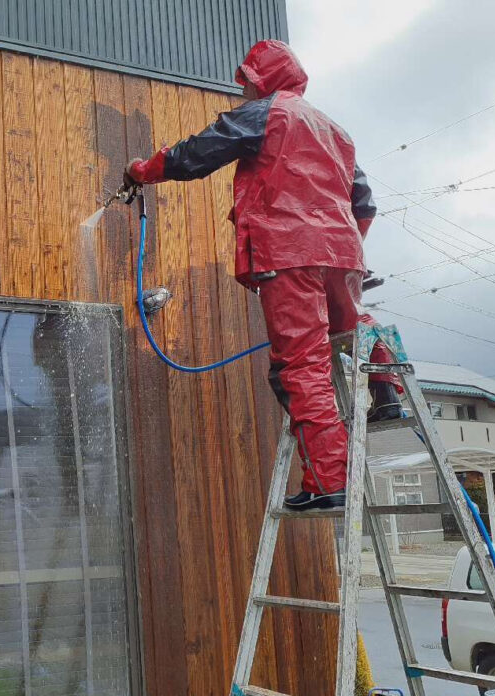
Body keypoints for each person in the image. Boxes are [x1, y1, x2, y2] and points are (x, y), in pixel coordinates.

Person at [125, 39, 401, 512]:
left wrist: (141, 171)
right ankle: (387, 388)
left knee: (300, 366)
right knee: (352, 327)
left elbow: (195, 154)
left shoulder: (266, 114)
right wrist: (343, 245)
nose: (246, 92)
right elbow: (365, 204)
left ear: (262, 79)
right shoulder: (336, 131)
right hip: (343, 253)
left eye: (249, 83)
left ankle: (330, 482)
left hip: (287, 251)